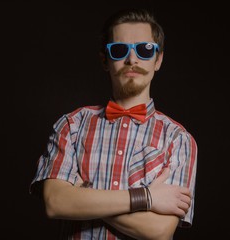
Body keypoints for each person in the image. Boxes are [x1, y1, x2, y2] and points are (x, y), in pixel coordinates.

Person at [29, 8, 198, 240]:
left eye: (144, 49)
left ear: (158, 59)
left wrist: (82, 194)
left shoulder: (178, 139)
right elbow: (56, 202)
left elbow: (159, 231)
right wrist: (147, 197)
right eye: (119, 50)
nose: (132, 60)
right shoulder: (71, 125)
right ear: (105, 61)